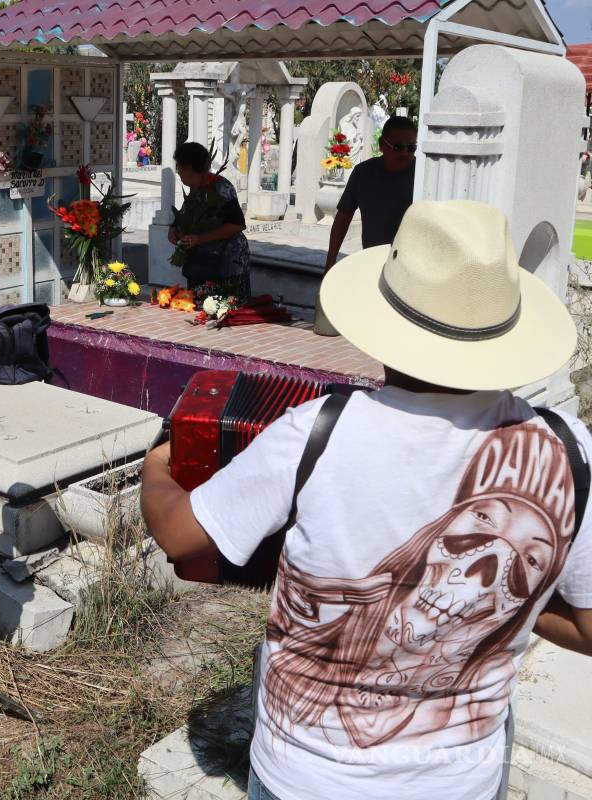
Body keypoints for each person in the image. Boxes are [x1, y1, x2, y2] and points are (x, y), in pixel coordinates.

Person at [142, 199, 592, 800]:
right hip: (459, 783)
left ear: (386, 318)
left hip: (305, 778)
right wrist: (494, 611)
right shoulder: (568, 448)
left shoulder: (317, 434)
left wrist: (156, 467)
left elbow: (180, 537)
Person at [324, 115, 417, 271]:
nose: (405, 153)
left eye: (411, 148)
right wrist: (330, 261)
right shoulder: (363, 173)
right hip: (373, 263)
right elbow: (343, 217)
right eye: (398, 147)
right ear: (381, 145)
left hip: (411, 268)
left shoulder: (422, 176)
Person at [167, 141, 250, 294]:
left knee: (224, 306)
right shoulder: (195, 188)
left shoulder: (221, 188)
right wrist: (174, 230)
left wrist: (200, 239)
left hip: (227, 262)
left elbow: (236, 224)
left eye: (179, 167)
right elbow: (186, 216)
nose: (178, 172)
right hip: (201, 264)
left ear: (189, 168)